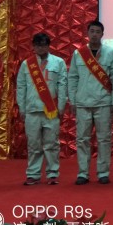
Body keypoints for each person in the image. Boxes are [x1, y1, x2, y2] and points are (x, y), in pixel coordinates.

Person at [68, 20, 113, 185]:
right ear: (87, 33)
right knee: (82, 139)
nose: (95, 34)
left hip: (103, 102)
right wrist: (72, 100)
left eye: (98, 31)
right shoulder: (79, 54)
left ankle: (103, 173)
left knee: (104, 139)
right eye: (92, 31)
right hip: (83, 102)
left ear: (102, 34)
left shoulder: (111, 53)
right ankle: (83, 173)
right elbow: (72, 78)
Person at [16, 33, 68, 186]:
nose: (40, 48)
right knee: (34, 144)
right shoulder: (27, 64)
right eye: (37, 45)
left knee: (52, 144)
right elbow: (21, 87)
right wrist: (22, 108)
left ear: (48, 46)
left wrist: (61, 107)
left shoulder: (58, 62)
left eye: (43, 45)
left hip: (51, 110)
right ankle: (33, 174)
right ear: (33, 46)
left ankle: (53, 174)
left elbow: (62, 86)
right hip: (32, 109)